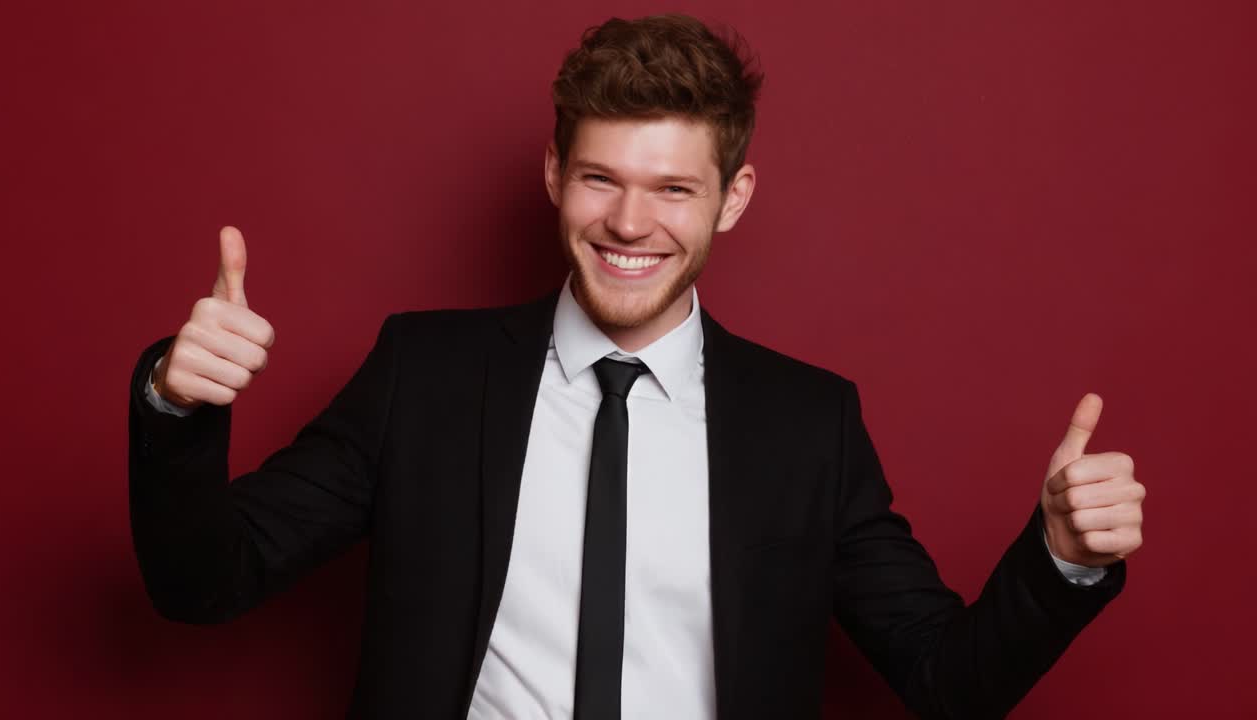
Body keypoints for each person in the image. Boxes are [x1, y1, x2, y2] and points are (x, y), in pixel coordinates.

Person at [127, 13, 1145, 720]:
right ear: (552, 176)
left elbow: (944, 682)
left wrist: (1060, 558)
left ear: (731, 198)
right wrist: (176, 403)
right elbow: (203, 583)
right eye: (600, 178)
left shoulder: (806, 427)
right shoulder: (422, 377)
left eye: (671, 189)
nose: (628, 222)